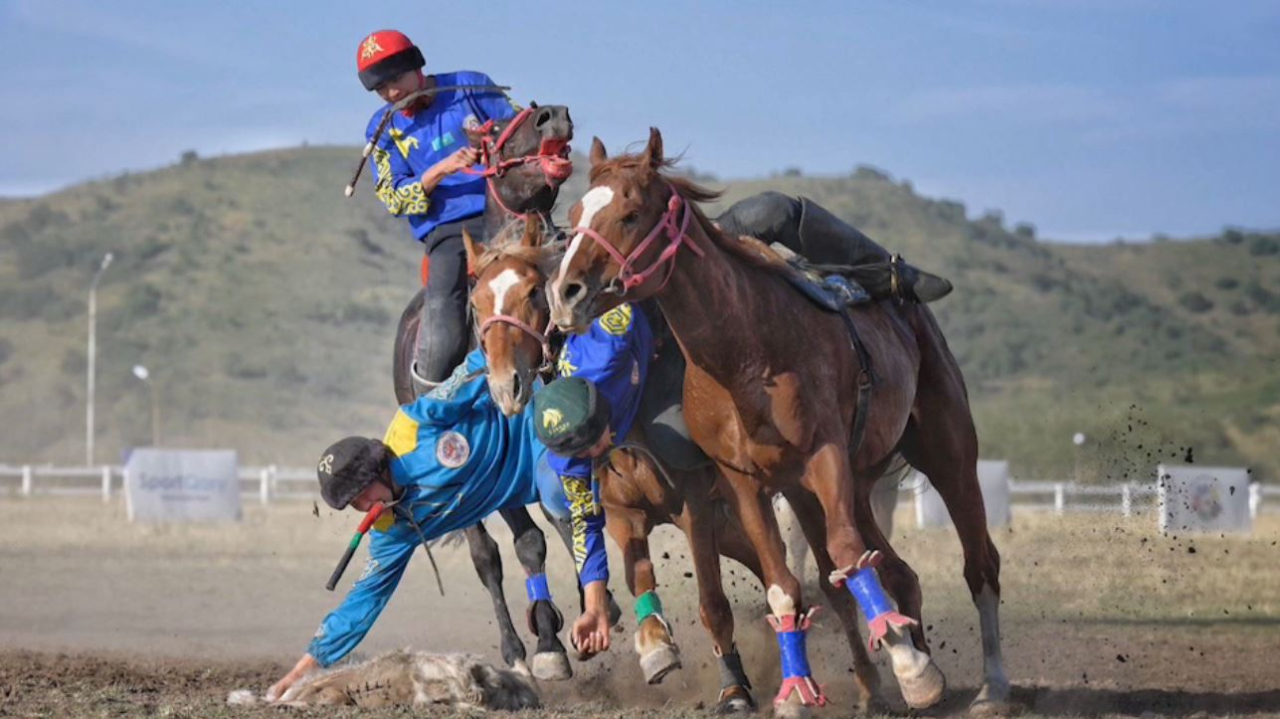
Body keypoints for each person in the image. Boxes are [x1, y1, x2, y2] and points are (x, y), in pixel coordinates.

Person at [267, 351, 567, 700]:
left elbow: (475, 369)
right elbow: (363, 601)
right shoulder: (392, 530)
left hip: (536, 434)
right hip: (524, 485)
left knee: (560, 495)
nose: (364, 509)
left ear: (379, 470)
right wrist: (305, 668)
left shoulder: (415, 425)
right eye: (353, 505)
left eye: (363, 496)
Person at [356, 29, 519, 392]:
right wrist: (441, 170)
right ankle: (431, 401)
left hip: (508, 213)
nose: (391, 94)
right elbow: (394, 198)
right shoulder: (382, 130)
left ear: (416, 65)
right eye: (380, 89)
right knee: (443, 301)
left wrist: (494, 146)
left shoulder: (471, 88)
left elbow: (521, 135)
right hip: (450, 230)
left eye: (395, 80)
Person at [532, 303, 653, 657]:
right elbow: (585, 524)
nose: (591, 457)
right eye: (581, 454)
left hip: (650, 339)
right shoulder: (568, 460)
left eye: (592, 445)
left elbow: (624, 288)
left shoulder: (609, 346)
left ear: (599, 412)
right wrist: (594, 605)